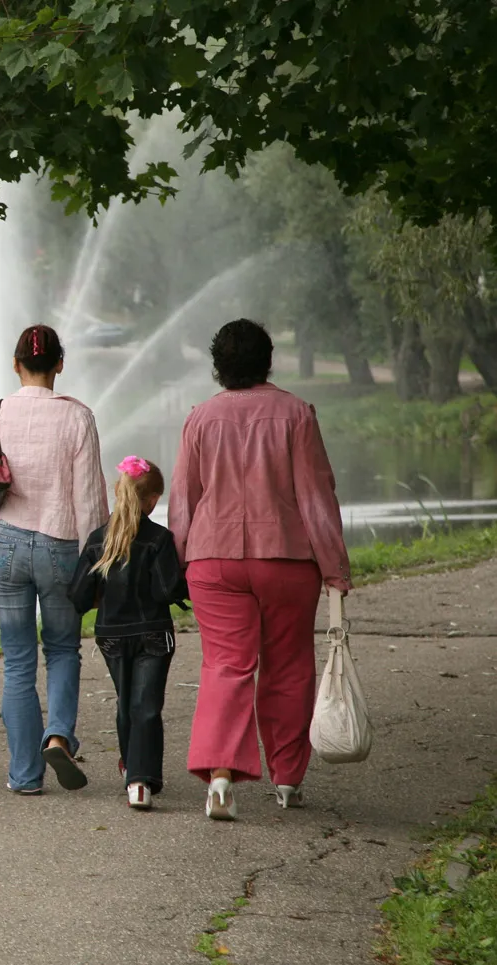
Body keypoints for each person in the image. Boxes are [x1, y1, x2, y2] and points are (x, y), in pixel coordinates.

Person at [169, 319, 351, 821]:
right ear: (268, 360)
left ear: (217, 365)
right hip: (287, 559)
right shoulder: (296, 414)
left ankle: (221, 777)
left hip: (213, 559)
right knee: (289, 666)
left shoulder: (199, 419)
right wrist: (335, 567)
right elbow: (316, 498)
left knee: (225, 666)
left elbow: (183, 500)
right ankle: (288, 778)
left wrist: (178, 560)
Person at [0, 324, 109, 795]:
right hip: (62, 547)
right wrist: (96, 562)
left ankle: (24, 775)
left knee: (19, 659)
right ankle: (59, 736)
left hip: (6, 546)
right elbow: (90, 501)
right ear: (60, 364)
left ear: (16, 364)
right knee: (63, 648)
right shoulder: (78, 417)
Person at [68, 456, 187, 811]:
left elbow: (77, 596)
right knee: (146, 705)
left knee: (126, 704)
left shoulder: (98, 539)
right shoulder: (160, 539)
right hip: (153, 631)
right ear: (152, 500)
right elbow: (168, 591)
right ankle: (140, 779)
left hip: (111, 634)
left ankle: (130, 769)